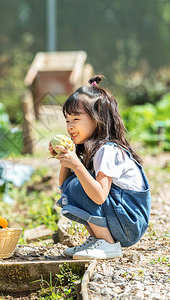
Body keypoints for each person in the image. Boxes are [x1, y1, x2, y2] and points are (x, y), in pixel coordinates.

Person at [49, 75, 151, 260]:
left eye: (76, 119)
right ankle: (97, 238)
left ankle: (108, 244)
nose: (70, 126)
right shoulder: (97, 149)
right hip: (123, 220)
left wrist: (77, 165)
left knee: (79, 185)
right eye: (67, 121)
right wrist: (65, 157)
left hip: (129, 223)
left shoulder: (107, 150)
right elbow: (64, 185)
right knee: (74, 183)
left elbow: (99, 195)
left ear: (97, 120)